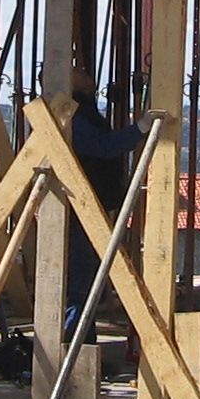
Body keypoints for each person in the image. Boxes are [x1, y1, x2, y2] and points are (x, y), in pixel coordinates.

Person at [64, 63, 146, 341]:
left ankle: (79, 343)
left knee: (84, 280)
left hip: (90, 203)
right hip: (80, 208)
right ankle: (74, 346)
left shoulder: (81, 111)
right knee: (79, 283)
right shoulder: (71, 117)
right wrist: (139, 129)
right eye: (79, 71)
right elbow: (104, 146)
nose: (87, 74)